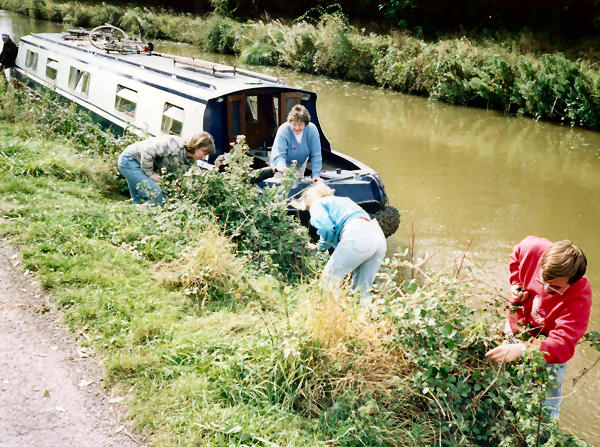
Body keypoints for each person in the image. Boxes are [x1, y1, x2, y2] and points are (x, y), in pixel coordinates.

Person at [485, 235, 592, 419]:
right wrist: (517, 283)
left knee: (547, 399)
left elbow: (562, 345)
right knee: (506, 378)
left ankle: (543, 432)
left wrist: (522, 350)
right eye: (543, 280)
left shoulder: (579, 296)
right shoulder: (533, 248)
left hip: (546, 342)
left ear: (572, 282)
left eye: (554, 288)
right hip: (518, 324)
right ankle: (504, 417)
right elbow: (515, 257)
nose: (545, 289)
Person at [295, 182, 386, 306]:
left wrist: (321, 246)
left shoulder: (316, 204)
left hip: (357, 235)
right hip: (377, 235)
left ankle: (334, 318)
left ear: (309, 203)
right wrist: (318, 246)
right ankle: (365, 320)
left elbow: (326, 228)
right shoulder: (343, 201)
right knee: (362, 290)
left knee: (328, 281)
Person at [118, 132, 216, 205]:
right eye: (204, 153)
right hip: (130, 160)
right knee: (156, 195)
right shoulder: (175, 144)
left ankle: (138, 227)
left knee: (139, 202)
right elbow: (147, 151)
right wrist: (150, 173)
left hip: (139, 166)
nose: (204, 157)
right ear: (196, 145)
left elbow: (195, 177)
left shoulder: (189, 161)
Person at [270, 104, 322, 181]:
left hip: (300, 163)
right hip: (281, 162)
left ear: (306, 124)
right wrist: (282, 168)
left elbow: (316, 155)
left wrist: (316, 175)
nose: (297, 128)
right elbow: (280, 154)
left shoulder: (312, 130)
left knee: (297, 185)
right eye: (294, 124)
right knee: (279, 186)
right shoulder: (283, 130)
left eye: (300, 125)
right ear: (290, 122)